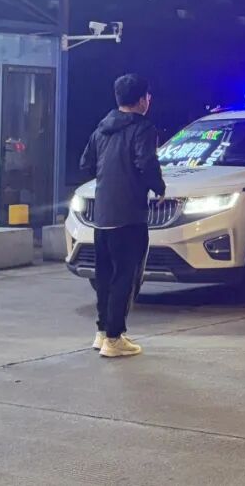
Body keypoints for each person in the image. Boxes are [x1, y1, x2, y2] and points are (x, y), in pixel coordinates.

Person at [79, 73, 166, 358]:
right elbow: (146, 162)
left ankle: (103, 331)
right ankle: (115, 339)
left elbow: (86, 164)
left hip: (102, 214)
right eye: (148, 96)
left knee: (105, 276)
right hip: (129, 214)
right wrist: (158, 187)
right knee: (126, 277)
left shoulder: (102, 128)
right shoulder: (142, 128)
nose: (149, 100)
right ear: (141, 100)